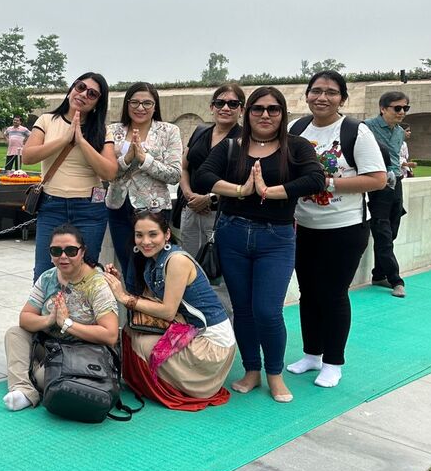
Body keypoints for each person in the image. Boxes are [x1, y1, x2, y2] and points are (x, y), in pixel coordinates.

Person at [196, 86, 324, 403]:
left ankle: (274, 374)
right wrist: (242, 190)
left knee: (267, 311)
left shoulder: (296, 147)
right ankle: (251, 370)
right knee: (243, 310)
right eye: (258, 108)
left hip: (276, 238)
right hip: (233, 234)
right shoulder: (232, 147)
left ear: (282, 114)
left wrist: (270, 191)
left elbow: (315, 179)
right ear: (248, 112)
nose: (265, 115)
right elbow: (203, 176)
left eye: (273, 109)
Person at [287, 71, 387, 389]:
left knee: (333, 294)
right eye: (316, 91)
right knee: (308, 293)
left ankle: (333, 362)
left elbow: (377, 179)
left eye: (331, 92)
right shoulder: (296, 129)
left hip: (344, 228)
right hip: (304, 226)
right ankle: (312, 354)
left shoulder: (355, 131)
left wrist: (326, 182)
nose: (322, 97)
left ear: (342, 98)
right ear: (306, 95)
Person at [104, 211, 235, 409]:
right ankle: (152, 384)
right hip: (191, 328)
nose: (145, 241)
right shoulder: (153, 259)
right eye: (139, 235)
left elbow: (167, 311)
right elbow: (150, 302)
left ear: (166, 234)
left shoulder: (176, 261)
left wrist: (123, 297)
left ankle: (171, 388)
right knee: (132, 330)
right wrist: (119, 281)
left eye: (152, 234)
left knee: (143, 343)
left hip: (212, 344)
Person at [2, 223, 119, 412]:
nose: (63, 256)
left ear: (82, 252)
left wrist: (67, 324)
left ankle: (30, 375)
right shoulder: (47, 278)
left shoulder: (97, 284)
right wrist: (49, 320)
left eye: (71, 251)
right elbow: (25, 318)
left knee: (44, 378)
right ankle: (24, 390)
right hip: (51, 346)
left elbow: (110, 335)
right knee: (14, 334)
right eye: (56, 251)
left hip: (84, 354)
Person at [22, 72, 118, 280]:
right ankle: (49, 304)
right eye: (80, 87)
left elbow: (109, 172)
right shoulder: (47, 120)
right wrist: (65, 139)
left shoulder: (102, 131)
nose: (83, 94)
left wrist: (82, 142)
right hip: (52, 205)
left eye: (92, 94)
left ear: (98, 103)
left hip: (89, 209)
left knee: (85, 274)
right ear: (72, 88)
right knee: (45, 273)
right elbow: (27, 156)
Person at [106, 82, 183, 286]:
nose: (140, 108)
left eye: (147, 103)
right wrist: (127, 159)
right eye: (135, 102)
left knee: (150, 266)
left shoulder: (169, 131)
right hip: (119, 206)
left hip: (153, 209)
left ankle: (151, 305)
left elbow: (175, 174)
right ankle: (133, 304)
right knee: (127, 264)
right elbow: (106, 172)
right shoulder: (112, 131)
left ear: (155, 106)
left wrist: (144, 159)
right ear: (127, 104)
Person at [178, 84, 245, 257]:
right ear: (211, 107)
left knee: (218, 264)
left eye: (233, 104)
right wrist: (189, 195)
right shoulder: (200, 132)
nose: (225, 108)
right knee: (189, 262)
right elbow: (184, 167)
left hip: (222, 214)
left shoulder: (244, 141)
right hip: (191, 208)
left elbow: (245, 182)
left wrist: (210, 198)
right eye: (220, 103)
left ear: (242, 110)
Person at [364, 91, 410, 298]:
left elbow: (395, 157)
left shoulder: (399, 132)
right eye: (397, 108)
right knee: (382, 231)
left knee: (392, 231)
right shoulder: (366, 127)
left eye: (405, 108)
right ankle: (396, 280)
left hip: (396, 183)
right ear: (383, 109)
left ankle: (378, 274)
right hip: (377, 185)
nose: (402, 112)